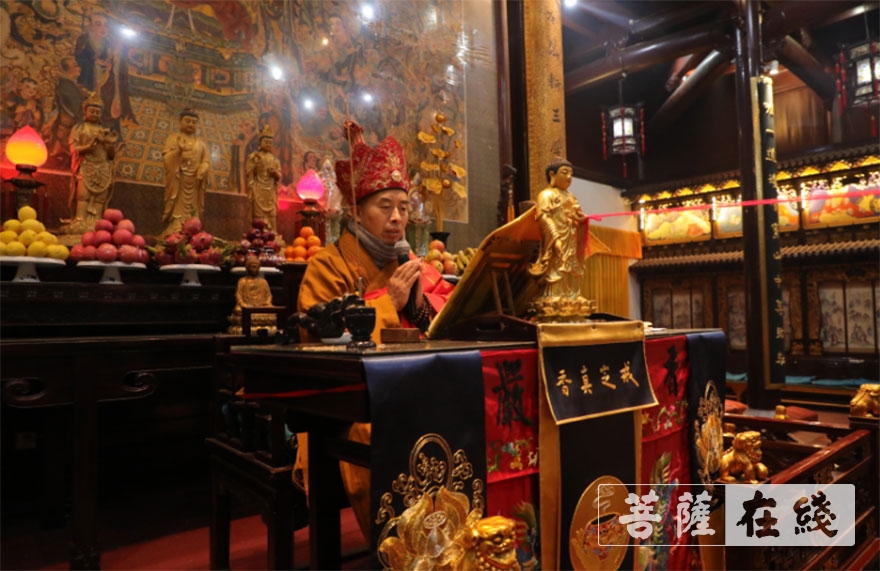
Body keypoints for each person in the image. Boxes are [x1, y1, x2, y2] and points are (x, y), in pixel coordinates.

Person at [294, 120, 455, 538]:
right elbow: (315, 336)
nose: (397, 217)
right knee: (378, 429)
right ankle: (397, 546)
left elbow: (448, 319)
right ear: (357, 211)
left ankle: (449, 536)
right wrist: (389, 304)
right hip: (351, 403)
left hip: (415, 386)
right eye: (385, 206)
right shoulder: (327, 265)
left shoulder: (412, 264)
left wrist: (420, 305)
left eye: (403, 207)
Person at [527, 156, 593, 319]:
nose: (569, 177)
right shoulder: (546, 194)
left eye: (571, 174)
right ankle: (554, 295)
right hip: (556, 237)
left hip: (571, 236)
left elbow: (577, 217)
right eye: (565, 172)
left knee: (573, 267)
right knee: (557, 265)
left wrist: (581, 220)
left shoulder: (572, 197)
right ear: (552, 174)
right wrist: (555, 238)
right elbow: (543, 217)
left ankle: (573, 294)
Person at [60, 92, 117, 235]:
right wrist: (89, 146)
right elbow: (74, 148)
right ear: (85, 112)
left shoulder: (105, 131)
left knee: (100, 199)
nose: (95, 114)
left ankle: (96, 222)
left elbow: (111, 156)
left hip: (103, 167)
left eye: (98, 112)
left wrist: (110, 145)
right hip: (86, 165)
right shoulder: (79, 129)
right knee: (83, 196)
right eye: (92, 111)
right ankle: (80, 220)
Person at [161, 108, 210, 238]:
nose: (191, 124)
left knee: (193, 208)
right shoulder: (174, 139)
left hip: (195, 182)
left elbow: (206, 161)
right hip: (179, 179)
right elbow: (167, 159)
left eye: (194, 122)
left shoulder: (201, 144)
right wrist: (178, 151)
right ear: (180, 121)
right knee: (178, 204)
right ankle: (177, 227)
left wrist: (203, 168)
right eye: (187, 121)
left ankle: (194, 227)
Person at [228, 256, 278, 334]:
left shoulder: (263, 282)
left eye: (257, 267)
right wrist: (242, 304)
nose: (255, 269)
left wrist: (267, 302)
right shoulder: (242, 281)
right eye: (253, 267)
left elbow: (269, 296)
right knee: (238, 310)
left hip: (261, 307)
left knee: (272, 312)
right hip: (247, 307)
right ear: (248, 268)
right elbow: (238, 295)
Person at [245, 125, 281, 229]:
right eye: (266, 142)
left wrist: (275, 173)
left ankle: (273, 234)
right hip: (258, 188)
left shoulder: (275, 160)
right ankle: (258, 234)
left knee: (272, 214)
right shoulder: (254, 157)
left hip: (271, 191)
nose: (268, 144)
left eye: (270, 143)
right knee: (258, 214)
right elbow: (249, 172)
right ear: (260, 142)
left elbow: (279, 175)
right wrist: (254, 166)